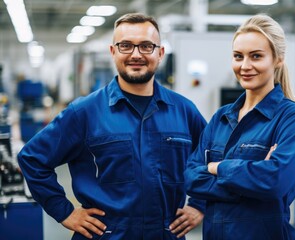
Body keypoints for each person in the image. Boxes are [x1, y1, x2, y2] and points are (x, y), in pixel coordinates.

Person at [18, 13, 205, 240]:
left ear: (160, 53)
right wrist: (65, 212)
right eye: (126, 45)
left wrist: (199, 205)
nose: (136, 54)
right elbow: (32, 158)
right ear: (113, 51)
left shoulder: (184, 110)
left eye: (146, 46)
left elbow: (211, 157)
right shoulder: (84, 112)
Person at [184, 14, 295, 240]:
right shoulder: (221, 117)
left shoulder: (292, 119)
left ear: (278, 59)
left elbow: (274, 182)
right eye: (238, 56)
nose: (245, 66)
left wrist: (217, 168)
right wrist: (252, 179)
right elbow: (191, 178)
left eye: (256, 56)